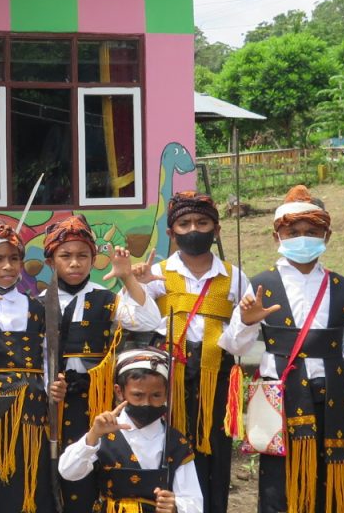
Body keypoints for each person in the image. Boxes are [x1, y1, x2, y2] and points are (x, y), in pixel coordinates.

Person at [230, 185, 344, 513]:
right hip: (282, 395)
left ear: (327, 236)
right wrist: (248, 321)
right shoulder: (262, 284)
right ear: (277, 237)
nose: (302, 238)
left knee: (336, 470)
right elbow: (235, 346)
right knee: (280, 479)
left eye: (312, 231)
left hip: (332, 393)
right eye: (293, 232)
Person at [123, 191, 252, 513]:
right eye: (184, 223)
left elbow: (239, 343)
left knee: (215, 454)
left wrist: (248, 322)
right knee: (166, 449)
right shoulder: (156, 273)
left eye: (202, 222)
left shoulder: (235, 277)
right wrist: (133, 283)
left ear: (216, 229)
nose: (193, 229)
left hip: (216, 376)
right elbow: (130, 319)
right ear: (171, 232)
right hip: (167, 380)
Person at [41, 215, 162, 513]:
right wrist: (47, 388)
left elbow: (149, 320)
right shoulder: (39, 302)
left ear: (94, 260)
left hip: (99, 400)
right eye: (65, 256)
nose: (74, 263)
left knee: (100, 466)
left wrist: (128, 279)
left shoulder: (106, 298)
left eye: (83, 256)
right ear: (50, 261)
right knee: (63, 471)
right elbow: (38, 354)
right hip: (57, 404)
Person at [0, 223, 67, 513]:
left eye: (14, 258)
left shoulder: (39, 307)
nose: (8, 266)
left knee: (33, 477)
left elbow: (48, 359)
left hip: (34, 410)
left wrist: (51, 389)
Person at [58, 348, 203, 513]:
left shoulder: (176, 443)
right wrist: (93, 436)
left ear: (167, 395)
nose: (146, 403)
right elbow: (68, 471)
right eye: (138, 396)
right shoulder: (103, 434)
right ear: (119, 392)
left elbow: (195, 504)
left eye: (156, 396)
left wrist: (176, 506)